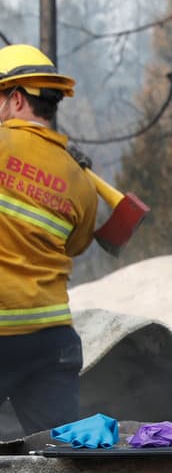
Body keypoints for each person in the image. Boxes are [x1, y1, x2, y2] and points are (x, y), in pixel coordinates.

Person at [0, 44, 97, 436]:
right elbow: (75, 245)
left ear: (17, 98)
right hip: (50, 338)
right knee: (60, 465)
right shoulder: (80, 178)